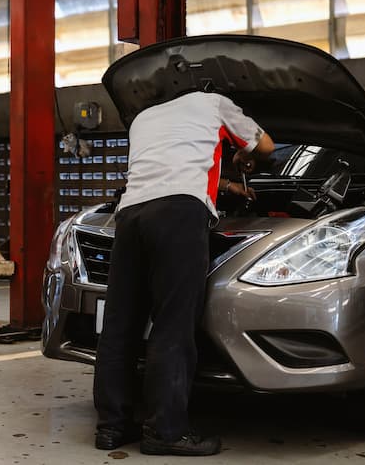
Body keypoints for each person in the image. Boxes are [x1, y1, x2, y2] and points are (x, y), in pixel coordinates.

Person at [93, 90, 274, 456]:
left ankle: (111, 427)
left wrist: (224, 185)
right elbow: (266, 147)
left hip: (130, 217)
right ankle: (166, 430)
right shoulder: (215, 103)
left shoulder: (144, 117)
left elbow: (167, 166)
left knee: (120, 325)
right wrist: (240, 154)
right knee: (173, 324)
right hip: (178, 215)